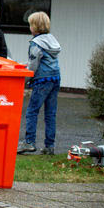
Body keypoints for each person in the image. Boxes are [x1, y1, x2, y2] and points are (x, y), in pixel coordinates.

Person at [18, 11, 61, 154]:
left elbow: (33, 65)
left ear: (35, 26)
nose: (29, 27)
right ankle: (50, 146)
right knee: (50, 113)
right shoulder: (51, 40)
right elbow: (40, 60)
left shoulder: (36, 43)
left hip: (42, 80)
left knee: (32, 111)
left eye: (30, 24)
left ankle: (29, 142)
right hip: (55, 78)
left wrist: (24, 81)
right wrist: (23, 64)